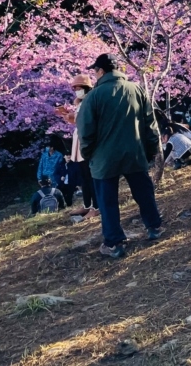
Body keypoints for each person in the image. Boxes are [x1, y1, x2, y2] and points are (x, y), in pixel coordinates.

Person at [77, 53, 163, 259]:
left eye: (95, 71)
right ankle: (154, 228)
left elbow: (85, 131)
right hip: (134, 152)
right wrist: (152, 150)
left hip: (104, 159)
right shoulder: (136, 89)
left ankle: (114, 243)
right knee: (143, 192)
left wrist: (88, 154)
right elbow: (150, 124)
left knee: (107, 201)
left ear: (101, 71)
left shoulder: (93, 97)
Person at [54, 74, 99, 219]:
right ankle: (87, 205)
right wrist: (67, 115)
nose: (77, 91)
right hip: (79, 140)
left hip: (87, 142)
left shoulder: (91, 101)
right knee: (84, 176)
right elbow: (77, 121)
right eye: (75, 88)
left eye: (79, 88)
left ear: (86, 88)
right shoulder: (79, 103)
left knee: (91, 176)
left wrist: (69, 116)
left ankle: (96, 206)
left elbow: (86, 120)